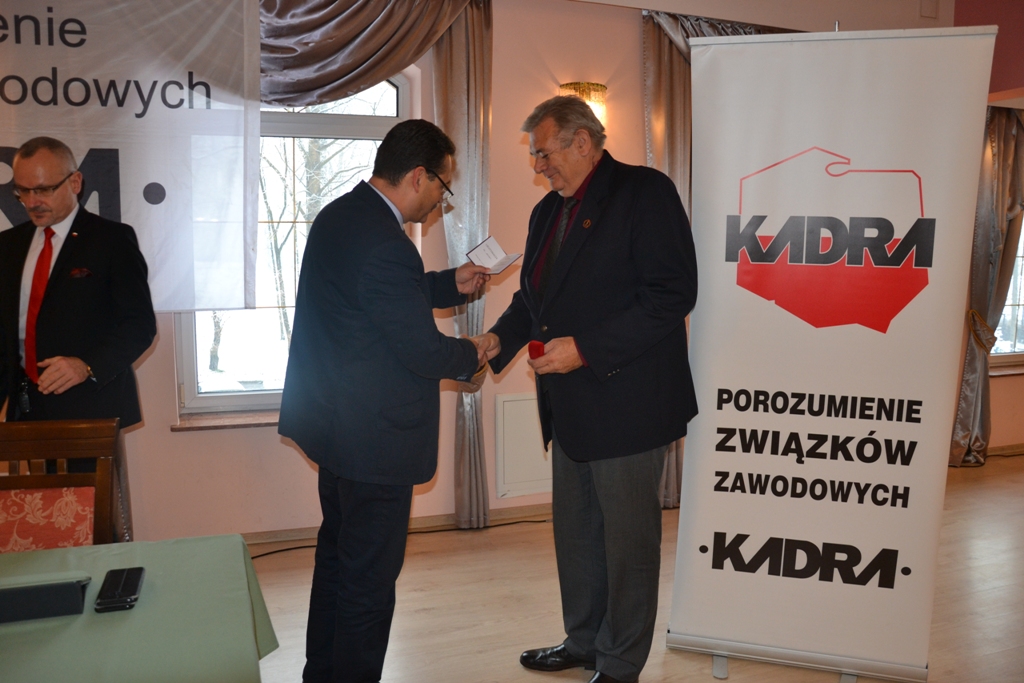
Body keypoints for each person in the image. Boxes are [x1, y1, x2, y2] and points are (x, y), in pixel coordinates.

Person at [474, 96, 698, 683]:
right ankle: (583, 642)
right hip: (570, 404)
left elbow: (673, 294)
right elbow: (533, 300)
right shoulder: (548, 211)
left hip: (630, 402)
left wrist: (587, 348)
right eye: (534, 156)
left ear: (581, 141)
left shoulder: (645, 192)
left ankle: (621, 662)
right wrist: (498, 340)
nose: (538, 166)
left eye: (543, 153)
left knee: (628, 544)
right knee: (577, 536)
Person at [278, 119, 490, 683]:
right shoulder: (388, 246)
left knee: (336, 563)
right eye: (443, 186)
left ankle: (321, 673)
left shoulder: (341, 216)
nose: (442, 200)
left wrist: (448, 282)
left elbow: (375, 297)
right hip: (375, 442)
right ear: (419, 176)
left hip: (335, 430)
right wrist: (475, 350)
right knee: (367, 585)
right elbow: (422, 350)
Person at [0, 137, 156, 504]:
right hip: (27, 410)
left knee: (90, 518)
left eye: (43, 189)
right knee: (35, 517)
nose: (32, 201)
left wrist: (86, 365)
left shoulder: (112, 240)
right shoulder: (7, 246)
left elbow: (139, 325)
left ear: (75, 182)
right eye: (22, 191)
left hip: (90, 409)